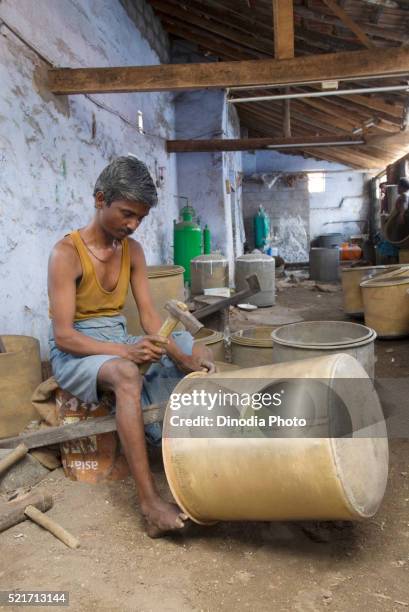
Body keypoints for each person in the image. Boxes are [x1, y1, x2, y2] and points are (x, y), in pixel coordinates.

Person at [48, 156, 215, 537]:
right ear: (100, 198)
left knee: (187, 342)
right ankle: (150, 505)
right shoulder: (66, 254)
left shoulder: (133, 251)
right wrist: (128, 353)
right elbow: (63, 336)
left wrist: (184, 357)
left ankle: (197, 456)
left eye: (139, 218)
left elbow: (152, 320)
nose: (132, 224)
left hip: (117, 337)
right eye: (126, 214)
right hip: (77, 349)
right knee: (127, 374)